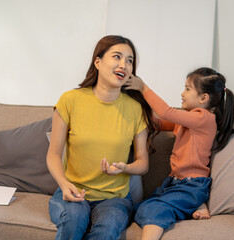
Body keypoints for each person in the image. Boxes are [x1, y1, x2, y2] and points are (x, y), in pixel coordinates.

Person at [46, 35, 158, 240]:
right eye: (117, 57)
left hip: (114, 199)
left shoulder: (136, 109)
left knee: (107, 230)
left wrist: (125, 168)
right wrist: (64, 185)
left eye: (130, 60)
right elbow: (53, 155)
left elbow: (143, 164)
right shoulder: (70, 100)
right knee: (74, 219)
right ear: (97, 62)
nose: (124, 65)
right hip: (73, 192)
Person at [125, 67, 234, 240]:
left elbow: (165, 112)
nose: (182, 93)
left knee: (154, 210)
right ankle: (195, 205)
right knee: (139, 208)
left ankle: (194, 203)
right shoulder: (188, 118)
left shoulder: (203, 118)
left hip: (192, 184)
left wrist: (144, 88)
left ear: (203, 98)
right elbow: (159, 122)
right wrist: (136, 105)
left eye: (187, 89)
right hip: (176, 183)